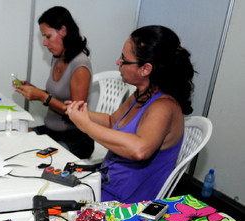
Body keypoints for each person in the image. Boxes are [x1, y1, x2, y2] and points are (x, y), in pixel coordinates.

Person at [65, 25, 195, 203]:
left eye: (124, 60)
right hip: (105, 186)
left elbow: (140, 150)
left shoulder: (163, 106)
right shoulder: (142, 93)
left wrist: (86, 126)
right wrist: (82, 114)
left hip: (124, 204)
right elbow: (112, 122)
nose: (118, 62)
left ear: (145, 69)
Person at [14, 6, 94, 159]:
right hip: (52, 132)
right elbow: (57, 95)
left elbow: (76, 113)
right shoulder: (57, 58)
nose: (44, 43)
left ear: (63, 31)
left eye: (48, 36)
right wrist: (34, 89)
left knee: (33, 159)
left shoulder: (80, 65)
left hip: (74, 139)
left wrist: (42, 97)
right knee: (16, 140)